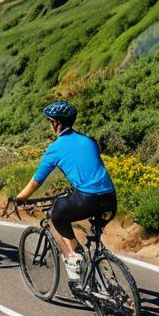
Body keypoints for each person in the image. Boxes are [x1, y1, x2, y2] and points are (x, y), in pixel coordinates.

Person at [12, 100, 117, 281]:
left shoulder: (55, 148)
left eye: (51, 121)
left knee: (56, 214)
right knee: (94, 240)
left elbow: (36, 182)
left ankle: (73, 257)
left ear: (56, 124)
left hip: (87, 198)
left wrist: (19, 199)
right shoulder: (89, 141)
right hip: (110, 198)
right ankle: (102, 274)